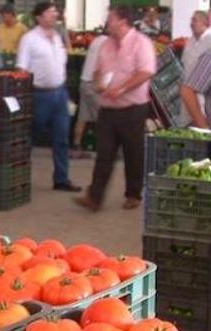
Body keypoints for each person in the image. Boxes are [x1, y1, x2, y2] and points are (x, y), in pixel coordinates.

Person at [74, 5, 156, 211]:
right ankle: (95, 197)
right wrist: (98, 82)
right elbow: (98, 71)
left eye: (110, 19)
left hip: (133, 108)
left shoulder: (141, 43)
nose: (107, 22)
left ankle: (133, 194)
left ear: (122, 21)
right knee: (104, 153)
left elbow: (146, 72)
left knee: (133, 153)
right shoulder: (105, 45)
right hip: (108, 109)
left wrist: (120, 89)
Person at [17, 2, 80, 192]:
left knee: (61, 138)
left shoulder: (58, 36)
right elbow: (21, 69)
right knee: (30, 137)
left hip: (60, 94)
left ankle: (61, 179)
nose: (54, 15)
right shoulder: (29, 39)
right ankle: (18, 177)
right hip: (39, 95)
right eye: (49, 12)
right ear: (39, 17)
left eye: (55, 12)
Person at [71, 31, 108, 159]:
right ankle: (105, 150)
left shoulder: (97, 40)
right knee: (105, 117)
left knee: (83, 116)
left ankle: (76, 147)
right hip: (93, 85)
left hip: (84, 83)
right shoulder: (107, 42)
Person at [179, 10, 211, 123]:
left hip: (203, 94)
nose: (191, 23)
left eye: (194, 20)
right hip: (187, 90)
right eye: (191, 20)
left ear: (204, 22)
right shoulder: (190, 41)